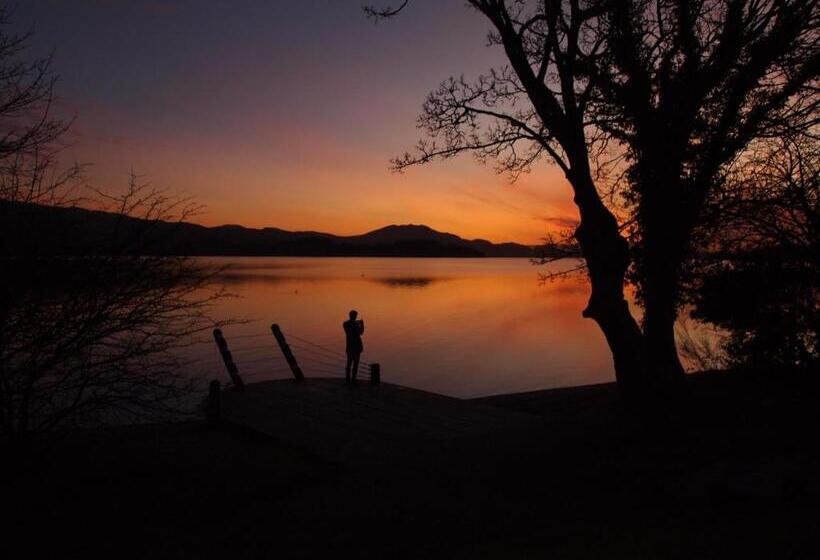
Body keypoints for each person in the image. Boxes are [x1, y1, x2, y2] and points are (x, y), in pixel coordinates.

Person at [343, 310, 364, 384]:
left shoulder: (352, 324)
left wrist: (362, 325)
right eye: (354, 316)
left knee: (355, 364)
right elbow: (357, 332)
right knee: (349, 364)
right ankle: (348, 380)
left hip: (356, 347)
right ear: (351, 316)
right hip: (352, 347)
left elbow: (361, 332)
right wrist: (359, 325)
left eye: (355, 316)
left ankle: (353, 380)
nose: (355, 317)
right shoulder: (346, 324)